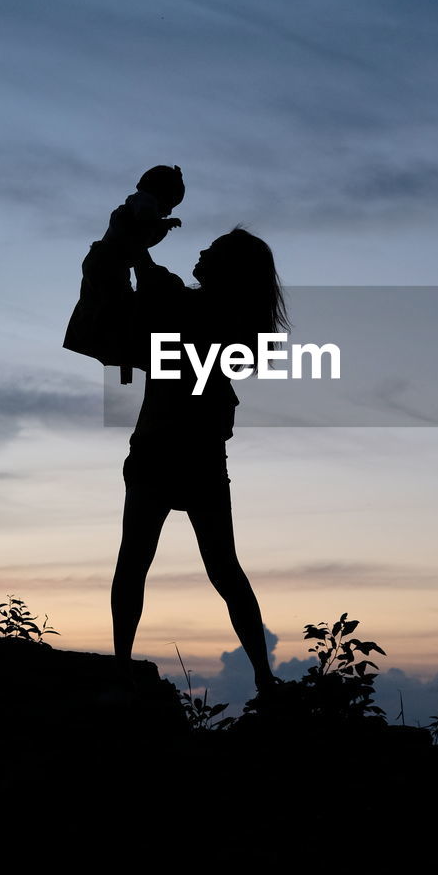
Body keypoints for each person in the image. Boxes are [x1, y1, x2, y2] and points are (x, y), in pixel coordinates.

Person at [112, 227, 287, 693]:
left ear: (226, 267)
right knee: (224, 569)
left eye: (212, 250)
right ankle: (264, 678)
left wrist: (139, 218)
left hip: (159, 448)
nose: (202, 250)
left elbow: (139, 264)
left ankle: (122, 668)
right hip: (202, 455)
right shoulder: (235, 321)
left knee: (135, 561)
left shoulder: (185, 303)